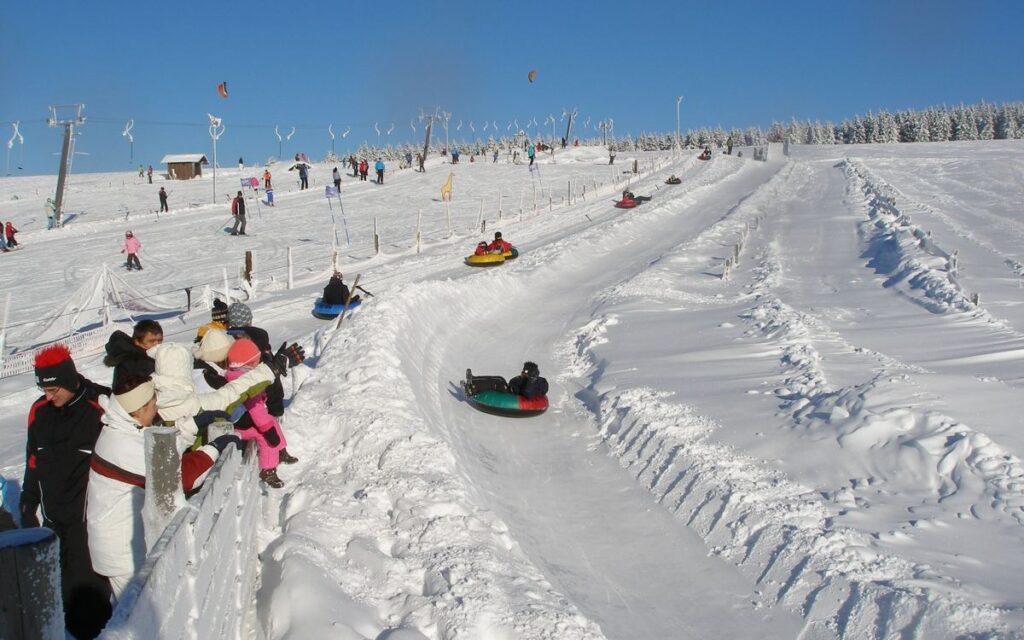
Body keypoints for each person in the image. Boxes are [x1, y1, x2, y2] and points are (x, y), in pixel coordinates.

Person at [87, 374, 240, 601]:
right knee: (137, 618)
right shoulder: (122, 445)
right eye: (151, 404)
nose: (156, 406)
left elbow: (159, 450)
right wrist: (215, 448)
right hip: (123, 553)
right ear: (137, 410)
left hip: (124, 543)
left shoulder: (124, 429)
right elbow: (176, 476)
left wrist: (190, 426)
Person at [22, 345, 113, 639]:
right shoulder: (39, 411)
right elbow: (33, 460)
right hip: (52, 518)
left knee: (88, 598)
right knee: (55, 592)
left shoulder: (99, 406)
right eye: (44, 389)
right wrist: (28, 503)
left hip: (88, 518)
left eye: (54, 389)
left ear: (70, 379)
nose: (49, 397)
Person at [224, 339, 291, 488]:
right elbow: (256, 410)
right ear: (248, 364)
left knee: (271, 420)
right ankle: (268, 470)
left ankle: (281, 450)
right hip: (241, 426)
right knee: (266, 436)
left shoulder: (235, 376)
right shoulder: (247, 382)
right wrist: (269, 432)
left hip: (244, 420)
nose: (258, 364)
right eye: (256, 362)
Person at [226, 302, 305, 419]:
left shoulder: (226, 345)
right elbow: (270, 381)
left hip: (237, 409)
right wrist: (276, 364)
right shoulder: (258, 343)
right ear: (249, 321)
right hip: (260, 410)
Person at [103, 319, 163, 389]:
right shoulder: (136, 362)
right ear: (137, 341)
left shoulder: (135, 354)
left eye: (159, 340)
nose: (156, 344)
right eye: (151, 341)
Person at [465, 362, 548, 399]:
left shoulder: (532, 383)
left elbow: (528, 394)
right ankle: (473, 379)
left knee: (498, 381)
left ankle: (472, 390)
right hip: (509, 388)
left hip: (511, 394)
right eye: (523, 371)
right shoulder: (525, 379)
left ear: (530, 374)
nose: (522, 373)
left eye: (524, 372)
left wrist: (531, 380)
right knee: (499, 378)